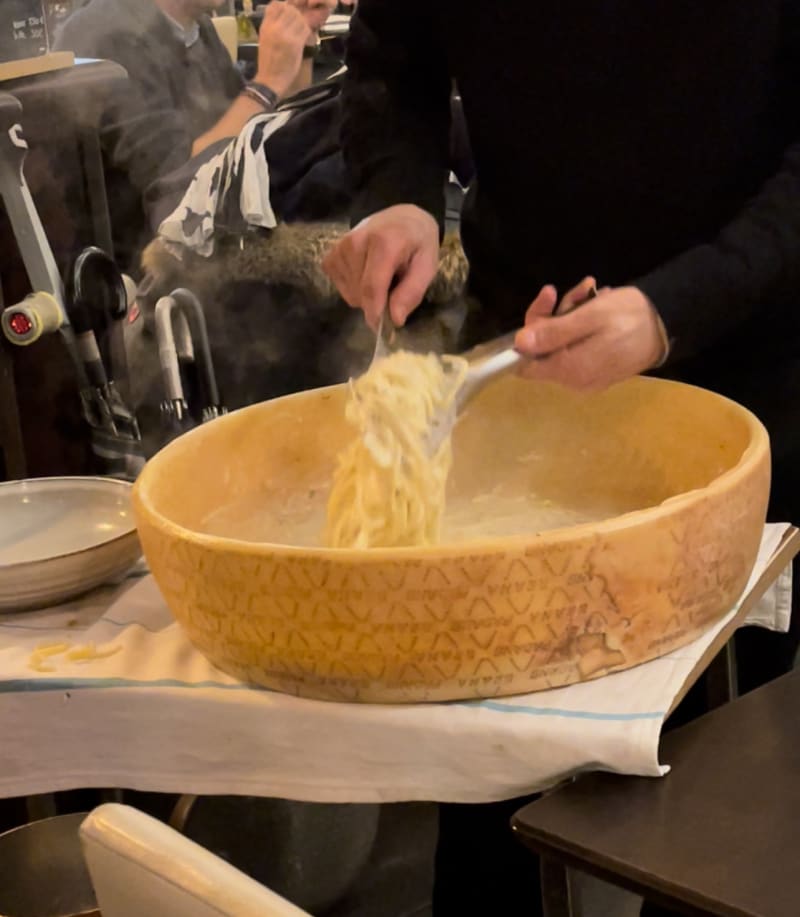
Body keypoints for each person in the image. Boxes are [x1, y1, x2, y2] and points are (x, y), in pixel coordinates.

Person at [322, 3, 800, 914]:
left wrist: (673, 308)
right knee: (489, 779)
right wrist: (400, 191)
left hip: (755, 352)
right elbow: (393, 54)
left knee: (731, 809)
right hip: (528, 346)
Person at [54, 0, 335, 267]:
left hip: (210, 238)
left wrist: (302, 37)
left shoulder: (195, 29)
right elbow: (179, 185)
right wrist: (266, 84)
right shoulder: (108, 35)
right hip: (145, 272)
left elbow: (254, 129)